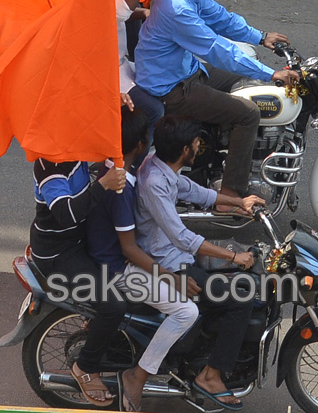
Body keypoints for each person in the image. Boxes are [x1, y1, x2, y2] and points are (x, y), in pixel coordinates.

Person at [133, 0, 298, 199]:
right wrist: (271, 73)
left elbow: (222, 19)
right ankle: (231, 196)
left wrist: (261, 37)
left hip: (188, 71)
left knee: (248, 81)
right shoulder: (177, 9)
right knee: (248, 114)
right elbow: (217, 49)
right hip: (172, 90)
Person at [135, 115, 264, 411]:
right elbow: (181, 237)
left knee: (237, 278)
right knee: (241, 298)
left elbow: (194, 192)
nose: (198, 146)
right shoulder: (154, 181)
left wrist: (237, 202)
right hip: (169, 264)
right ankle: (211, 375)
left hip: (176, 255)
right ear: (185, 150)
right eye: (195, 143)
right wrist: (233, 256)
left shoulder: (160, 167)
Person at [85, 106, 199, 412]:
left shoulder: (116, 168)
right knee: (186, 312)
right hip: (119, 269)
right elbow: (129, 250)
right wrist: (170, 278)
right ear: (139, 144)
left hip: (116, 257)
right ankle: (138, 376)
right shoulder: (120, 187)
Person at [31, 147, 127, 406]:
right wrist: (104, 184)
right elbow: (66, 214)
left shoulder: (74, 152)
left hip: (80, 240)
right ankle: (84, 366)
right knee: (113, 305)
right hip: (58, 254)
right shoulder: (49, 166)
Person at [118, 0, 165, 138]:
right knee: (154, 110)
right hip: (106, 75)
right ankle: (131, 162)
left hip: (122, 65)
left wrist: (144, 13)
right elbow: (120, 11)